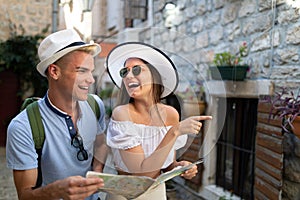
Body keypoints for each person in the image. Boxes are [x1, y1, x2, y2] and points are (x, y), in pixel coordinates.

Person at [6, 29, 108, 200]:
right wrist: (56, 191)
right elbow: (25, 196)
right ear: (54, 72)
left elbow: (100, 144)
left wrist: (97, 171)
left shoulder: (96, 105)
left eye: (90, 71)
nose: (91, 79)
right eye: (82, 71)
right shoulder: (23, 127)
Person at [105, 42, 212, 199]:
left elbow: (166, 165)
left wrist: (180, 167)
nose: (128, 76)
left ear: (154, 77)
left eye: (136, 69)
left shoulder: (171, 114)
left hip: (157, 194)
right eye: (124, 72)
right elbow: (143, 173)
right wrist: (175, 131)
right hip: (126, 195)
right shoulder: (121, 114)